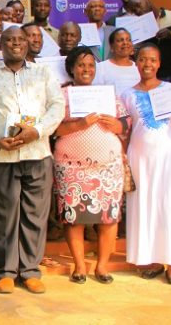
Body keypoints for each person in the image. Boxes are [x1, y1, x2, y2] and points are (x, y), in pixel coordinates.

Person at [0, 26, 64, 294]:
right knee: (5, 217)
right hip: (2, 155)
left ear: (28, 44)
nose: (16, 44)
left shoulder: (44, 73)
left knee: (34, 215)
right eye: (10, 40)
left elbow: (57, 106)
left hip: (37, 152)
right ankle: (6, 271)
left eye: (20, 39)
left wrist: (37, 131)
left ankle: (29, 270)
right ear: (0, 46)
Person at [121, 44, 171, 286]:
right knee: (146, 206)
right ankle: (151, 259)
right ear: (136, 62)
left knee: (170, 206)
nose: (147, 64)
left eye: (152, 60)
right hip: (140, 158)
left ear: (159, 63)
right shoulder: (126, 94)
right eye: (143, 59)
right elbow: (125, 128)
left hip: (170, 156)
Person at [53, 46, 127, 285]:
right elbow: (54, 130)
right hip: (72, 167)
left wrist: (115, 124)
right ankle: (79, 265)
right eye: (81, 65)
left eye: (91, 65)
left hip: (107, 166)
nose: (86, 70)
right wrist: (80, 124)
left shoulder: (108, 95)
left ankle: (102, 266)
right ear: (71, 69)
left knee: (109, 217)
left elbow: (125, 126)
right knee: (73, 217)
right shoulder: (61, 96)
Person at [93, 28, 141, 96]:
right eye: (120, 40)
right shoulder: (101, 68)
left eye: (128, 40)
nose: (125, 43)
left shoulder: (139, 67)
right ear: (111, 47)